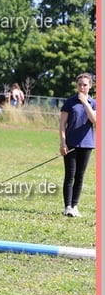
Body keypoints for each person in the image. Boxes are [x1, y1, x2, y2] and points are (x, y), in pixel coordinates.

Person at [59, 73, 96, 218]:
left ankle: (75, 206)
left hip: (87, 144)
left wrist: (85, 102)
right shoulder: (70, 102)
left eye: (85, 85)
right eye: (80, 85)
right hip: (70, 144)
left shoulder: (94, 103)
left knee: (80, 175)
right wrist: (63, 142)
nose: (82, 87)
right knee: (70, 175)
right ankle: (67, 207)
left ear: (90, 86)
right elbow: (62, 124)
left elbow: (95, 120)